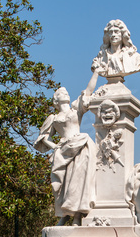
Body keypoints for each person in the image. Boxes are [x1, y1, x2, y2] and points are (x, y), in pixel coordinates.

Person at [34, 72, 99, 226]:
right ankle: (66, 215)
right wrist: (55, 146)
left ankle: (77, 217)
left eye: (66, 92)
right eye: (61, 93)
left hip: (81, 146)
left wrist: (96, 72)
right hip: (63, 151)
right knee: (64, 185)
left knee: (78, 182)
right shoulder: (53, 118)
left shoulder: (76, 109)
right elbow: (43, 138)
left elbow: (88, 91)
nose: (65, 93)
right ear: (56, 100)